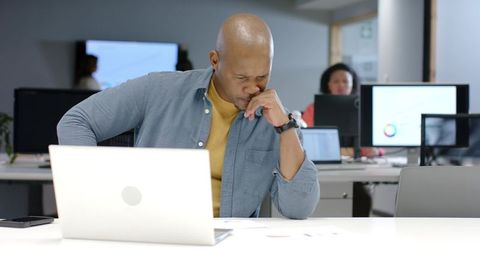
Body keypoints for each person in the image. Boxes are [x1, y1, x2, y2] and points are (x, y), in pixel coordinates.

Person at [57, 13, 320, 219]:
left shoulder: (276, 119)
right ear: (215, 60)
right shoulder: (159, 89)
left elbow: (298, 208)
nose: (253, 88)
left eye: (262, 77)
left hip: (232, 242)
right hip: (153, 233)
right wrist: (99, 193)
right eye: (241, 77)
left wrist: (286, 128)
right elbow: (76, 121)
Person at [302, 62, 383, 158]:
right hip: (324, 163)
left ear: (352, 84)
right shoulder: (312, 109)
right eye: (336, 81)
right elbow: (307, 143)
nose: (341, 85)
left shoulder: (364, 109)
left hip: (359, 164)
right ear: (328, 84)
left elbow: (378, 144)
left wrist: (377, 151)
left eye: (345, 81)